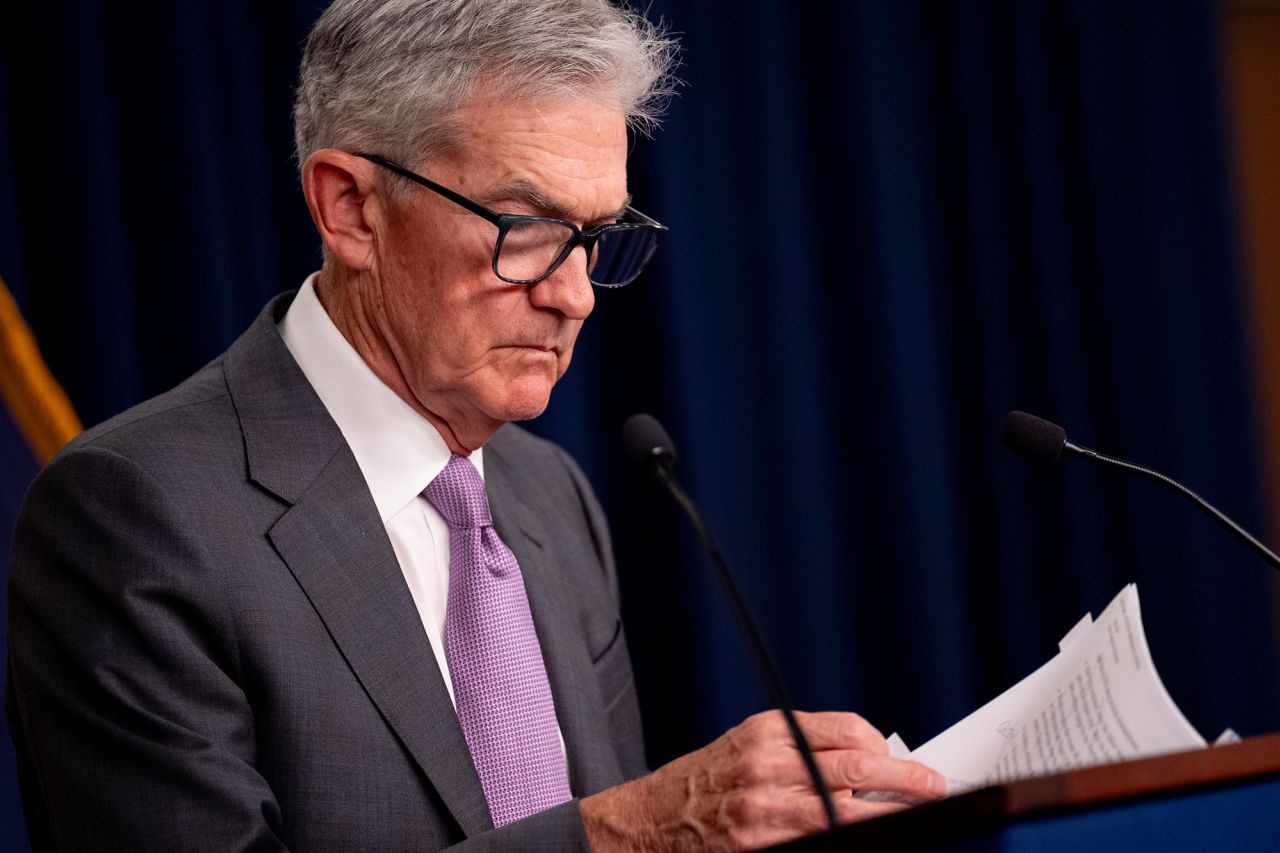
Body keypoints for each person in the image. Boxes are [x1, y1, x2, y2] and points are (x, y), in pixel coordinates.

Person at [5, 1, 946, 849]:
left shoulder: (550, 495)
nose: (576, 295)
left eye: (598, 235)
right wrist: (626, 836)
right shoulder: (134, 515)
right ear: (351, 209)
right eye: (528, 226)